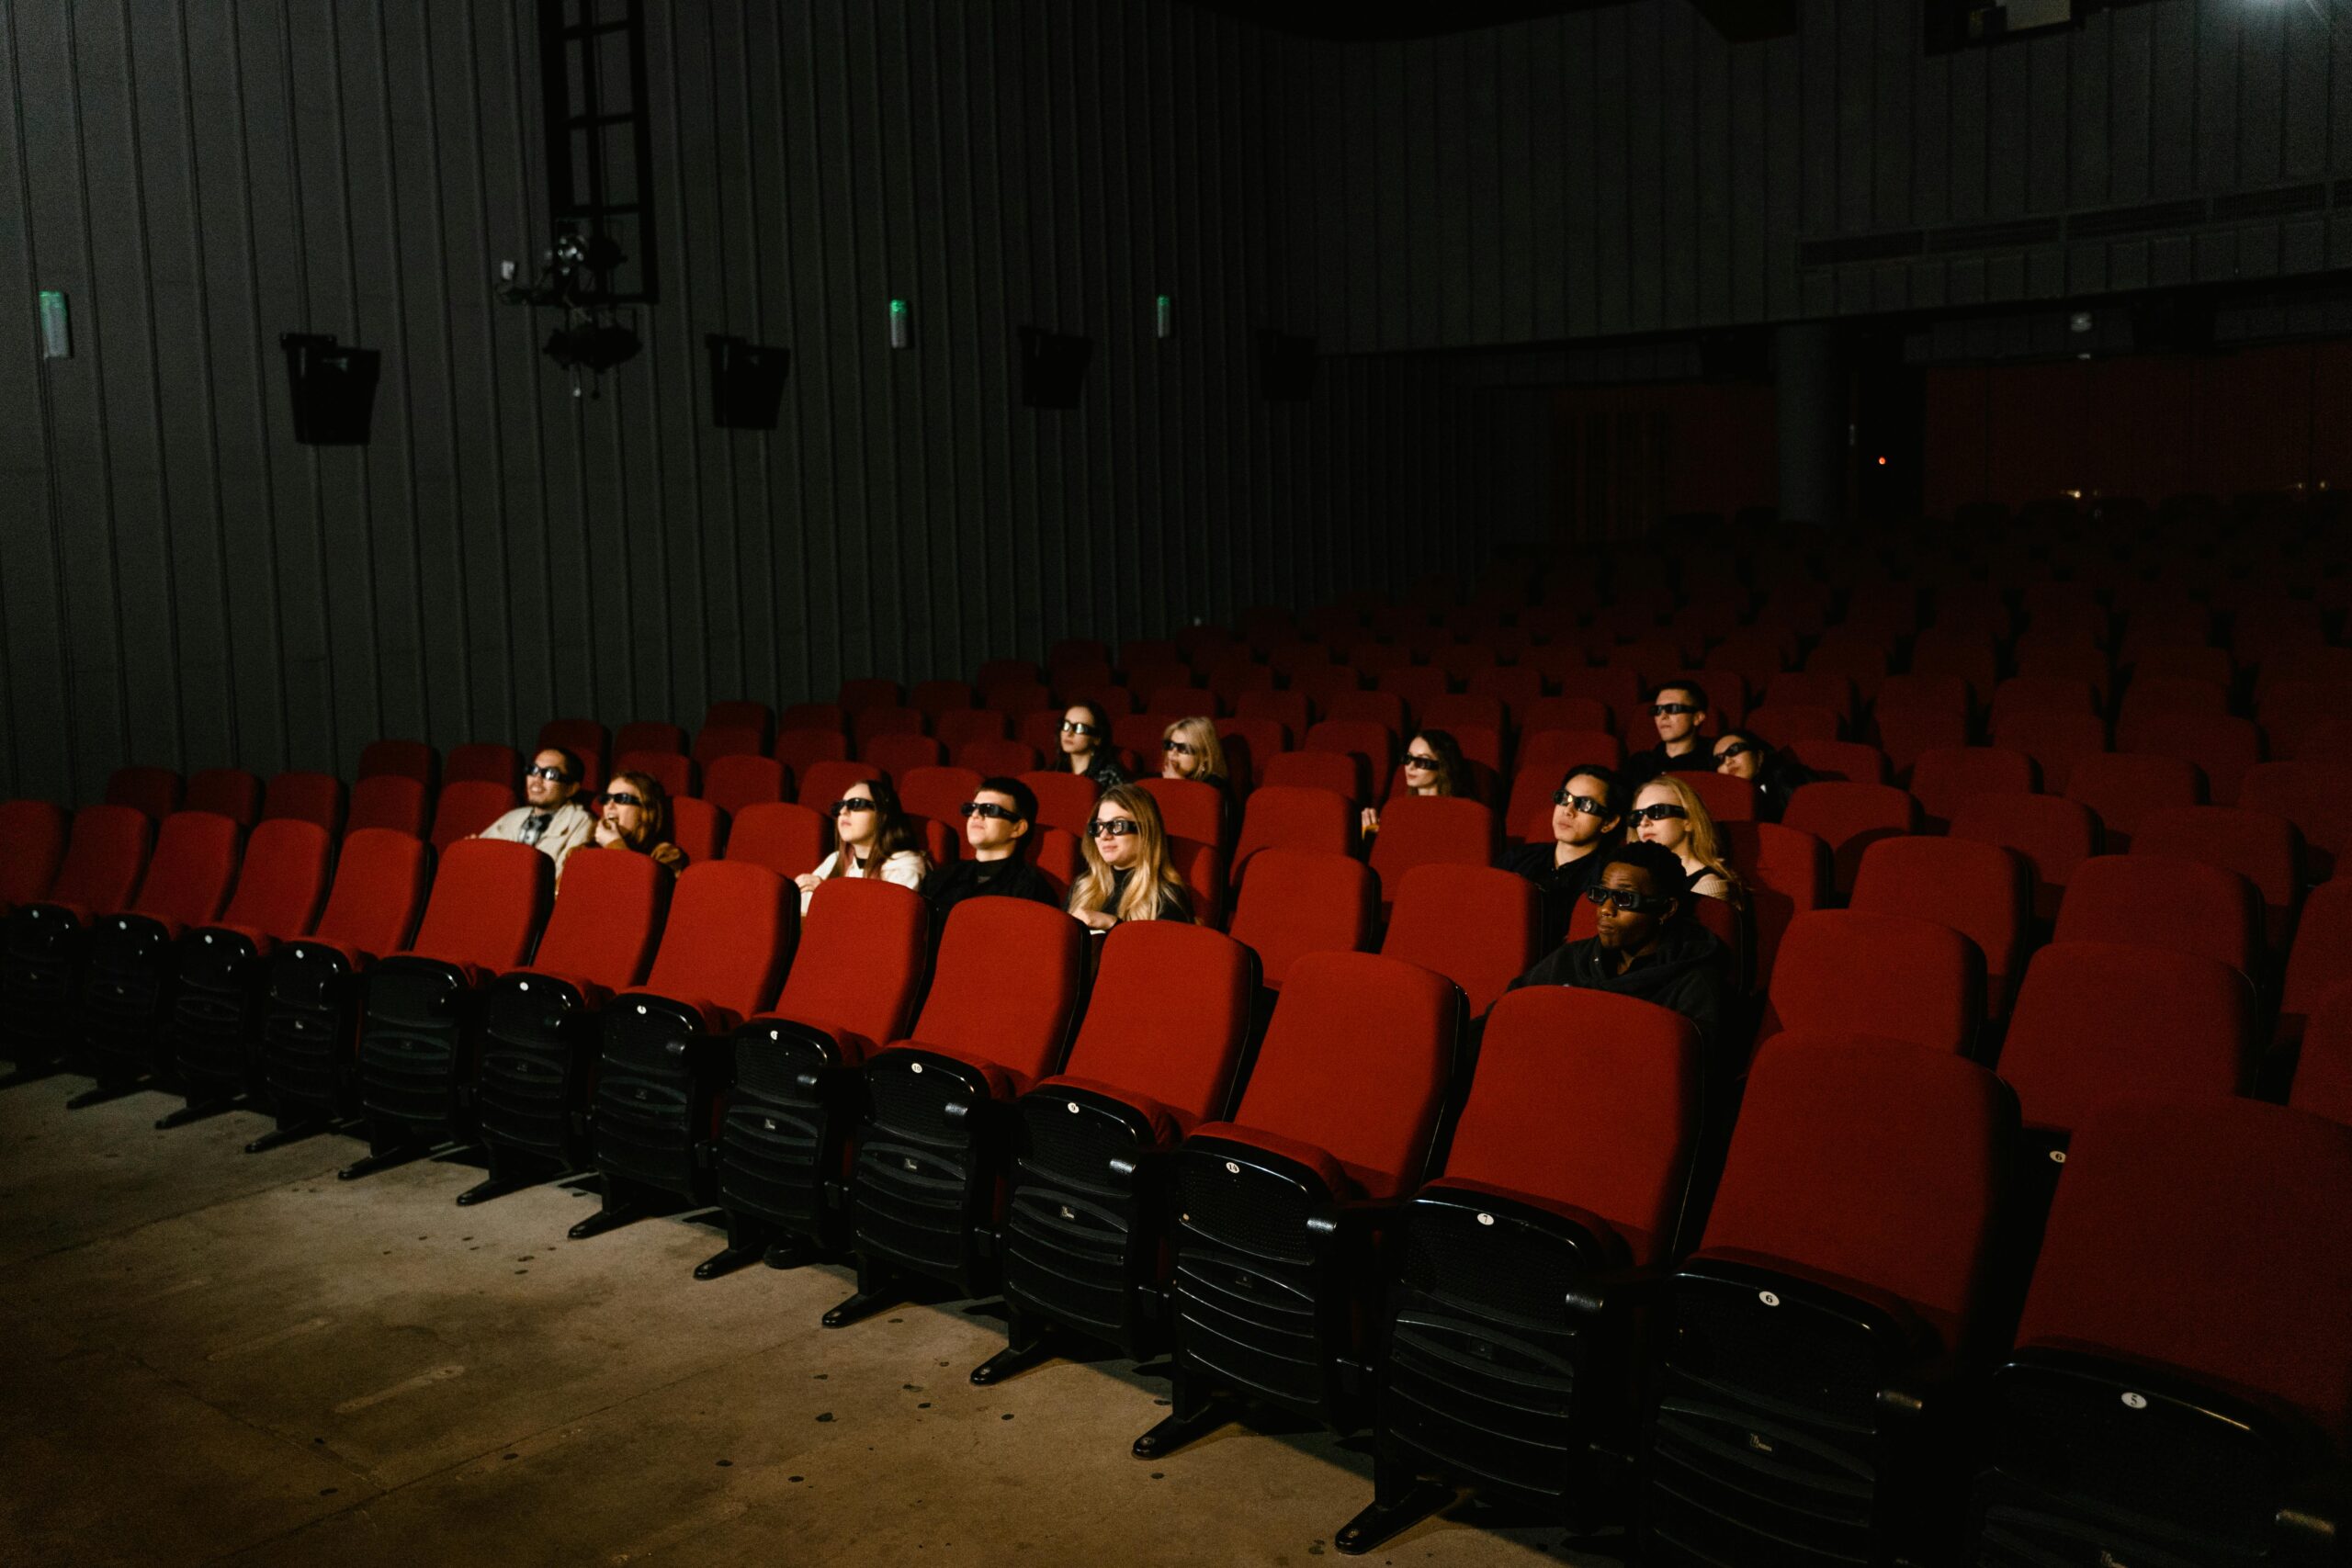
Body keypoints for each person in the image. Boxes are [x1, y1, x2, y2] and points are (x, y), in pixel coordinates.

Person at [1508, 840, 1725, 1056]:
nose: (1605, 909)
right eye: (1600, 894)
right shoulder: (1572, 957)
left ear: (1666, 909)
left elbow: (1688, 1063)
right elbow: (1509, 1009)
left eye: (1624, 898)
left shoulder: (1694, 983)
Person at [1498, 762, 1625, 950]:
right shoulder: (1516, 858)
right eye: (1564, 798)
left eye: (1585, 804)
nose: (1568, 810)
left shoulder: (1605, 880)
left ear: (1609, 822)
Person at [922, 776, 1060, 919]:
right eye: (971, 808)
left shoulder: (1032, 890)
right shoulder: (938, 879)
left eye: (989, 809)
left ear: (1018, 828)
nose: (975, 815)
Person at [797, 776, 930, 913]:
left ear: (883, 814)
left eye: (856, 804)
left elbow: (886, 918)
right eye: (839, 806)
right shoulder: (835, 859)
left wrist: (829, 894)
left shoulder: (904, 865)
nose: (843, 812)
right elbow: (803, 913)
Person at [1068, 783, 1192, 929]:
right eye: (1098, 826)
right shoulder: (1083, 887)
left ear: (1145, 831)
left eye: (1117, 825)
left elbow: (1160, 945)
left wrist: (1113, 924)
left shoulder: (1167, 896)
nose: (1104, 835)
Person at [1627, 774, 1744, 907]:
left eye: (1657, 811)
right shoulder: (1638, 879)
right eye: (1637, 816)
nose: (1643, 823)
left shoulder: (1708, 887)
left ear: (1689, 821)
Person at [477, 746, 597, 873]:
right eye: (533, 770)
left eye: (550, 774)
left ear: (571, 789)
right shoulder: (513, 817)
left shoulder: (581, 822)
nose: (537, 779)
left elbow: (564, 877)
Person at [1363, 728, 1466, 836]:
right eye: (1408, 758)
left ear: (1443, 767)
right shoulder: (1399, 811)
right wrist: (1374, 833)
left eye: (1422, 761)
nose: (1410, 767)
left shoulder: (1459, 815)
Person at [589, 770, 686, 877]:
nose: (610, 805)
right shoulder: (588, 849)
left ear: (645, 810)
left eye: (622, 799)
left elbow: (639, 884)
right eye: (606, 798)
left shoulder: (666, 854)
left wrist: (614, 844)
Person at [1623, 682, 1716, 788]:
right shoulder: (1640, 764)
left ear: (1697, 717)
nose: (1662, 716)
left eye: (1673, 709)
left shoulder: (1714, 761)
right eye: (1657, 710)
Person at [1710, 727, 1814, 822]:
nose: (1728, 761)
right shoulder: (1721, 803)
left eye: (1734, 750)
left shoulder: (1791, 778)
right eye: (1719, 759)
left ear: (1759, 756)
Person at [1057, 701, 1128, 793]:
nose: (1069, 733)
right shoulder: (1055, 770)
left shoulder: (1110, 776)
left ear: (1097, 738)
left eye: (1080, 728)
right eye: (1066, 725)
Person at [1159, 716, 1232, 802]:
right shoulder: (1157, 779)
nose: (1173, 753)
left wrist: (1176, 785)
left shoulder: (1215, 787)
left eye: (1184, 748)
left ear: (1205, 755)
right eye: (1170, 745)